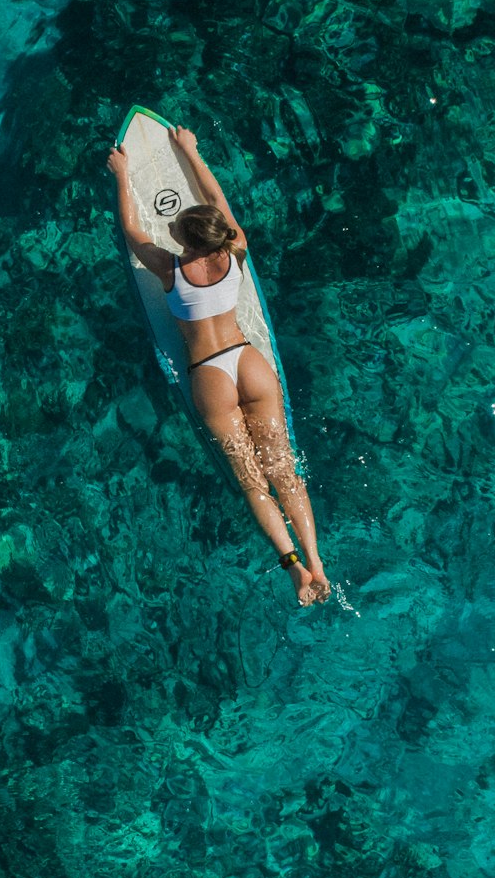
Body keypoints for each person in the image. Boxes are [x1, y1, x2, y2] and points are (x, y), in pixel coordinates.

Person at [108, 124, 330, 605]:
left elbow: (131, 231)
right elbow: (215, 196)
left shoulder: (169, 268)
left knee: (251, 480)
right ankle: (316, 561)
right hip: (250, 363)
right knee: (283, 470)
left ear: (185, 242)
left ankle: (292, 568)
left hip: (209, 374)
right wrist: (191, 150)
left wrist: (123, 175)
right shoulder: (235, 248)